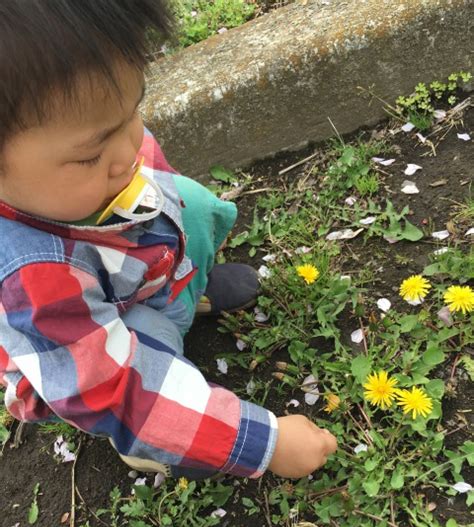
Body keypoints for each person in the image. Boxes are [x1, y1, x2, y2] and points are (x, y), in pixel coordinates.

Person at [0, 0, 337, 480]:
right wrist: (265, 441)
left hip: (132, 262)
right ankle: (148, 441)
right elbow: (114, 389)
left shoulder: (87, 158)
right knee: (146, 347)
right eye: (90, 155)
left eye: (131, 111)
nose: (127, 152)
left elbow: (125, 156)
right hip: (85, 356)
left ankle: (181, 293)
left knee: (194, 207)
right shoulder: (29, 279)